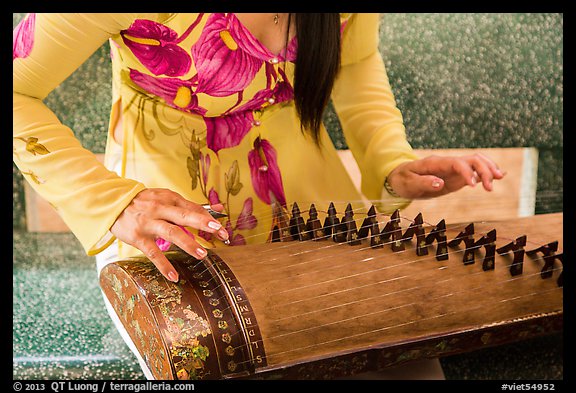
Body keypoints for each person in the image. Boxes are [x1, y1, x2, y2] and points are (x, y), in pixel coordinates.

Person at [13, 13, 504, 380]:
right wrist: (111, 201)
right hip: (174, 217)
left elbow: (354, 61)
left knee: (400, 361)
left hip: (309, 204)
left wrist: (392, 162)